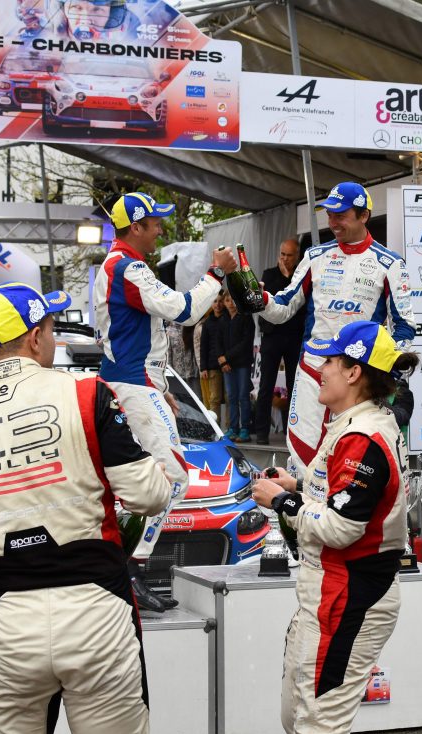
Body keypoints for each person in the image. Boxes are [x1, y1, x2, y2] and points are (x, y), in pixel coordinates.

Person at [0, 282, 172, 734]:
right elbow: (148, 497)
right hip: (97, 612)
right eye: (50, 328)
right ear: (36, 337)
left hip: (8, 622)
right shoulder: (86, 394)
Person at [252, 321, 418, 734]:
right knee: (298, 719)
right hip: (332, 591)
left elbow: (342, 527)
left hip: (350, 594)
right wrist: (297, 488)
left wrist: (283, 503)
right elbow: (339, 498)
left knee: (318, 731)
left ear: (354, 372)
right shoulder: (357, 422)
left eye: (330, 359)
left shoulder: (364, 434)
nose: (319, 368)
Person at [93, 191, 237, 611]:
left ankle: (123, 567)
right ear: (135, 226)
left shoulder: (118, 265)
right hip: (131, 383)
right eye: (155, 221)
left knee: (152, 479)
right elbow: (186, 311)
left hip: (139, 382)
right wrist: (216, 273)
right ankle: (128, 569)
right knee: (171, 477)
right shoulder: (128, 267)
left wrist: (160, 386)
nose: (161, 228)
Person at [256, 182, 416, 475]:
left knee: (351, 459)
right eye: (329, 214)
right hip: (313, 370)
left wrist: (381, 370)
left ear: (363, 215)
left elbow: (404, 328)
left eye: (341, 214)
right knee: (303, 457)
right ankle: (301, 515)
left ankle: (343, 518)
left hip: (358, 376)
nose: (333, 222)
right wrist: (260, 299)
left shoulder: (390, 263)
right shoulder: (314, 256)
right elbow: (283, 307)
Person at [253, 238, 305, 445]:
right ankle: (262, 434)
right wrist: (284, 277)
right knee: (266, 386)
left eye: (289, 255)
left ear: (297, 256)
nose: (284, 258)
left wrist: (289, 277)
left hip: (293, 336)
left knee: (294, 387)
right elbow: (270, 297)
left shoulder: (301, 277)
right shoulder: (269, 274)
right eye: (282, 254)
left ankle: (291, 432)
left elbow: (299, 302)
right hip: (272, 336)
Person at [217, 293, 255, 442]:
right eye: (227, 300)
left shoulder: (246, 318)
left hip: (242, 364)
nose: (231, 303)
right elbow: (217, 342)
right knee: (231, 397)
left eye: (233, 299)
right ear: (225, 303)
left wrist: (227, 357)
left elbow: (246, 343)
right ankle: (233, 428)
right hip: (228, 366)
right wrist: (223, 361)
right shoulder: (223, 320)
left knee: (243, 396)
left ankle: (245, 428)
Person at [196, 292, 226, 428]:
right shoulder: (207, 322)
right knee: (214, 398)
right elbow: (203, 346)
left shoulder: (228, 319)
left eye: (220, 301)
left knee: (229, 397)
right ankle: (216, 427)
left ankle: (230, 427)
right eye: (215, 301)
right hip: (212, 365)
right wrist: (203, 368)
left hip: (229, 363)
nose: (218, 305)